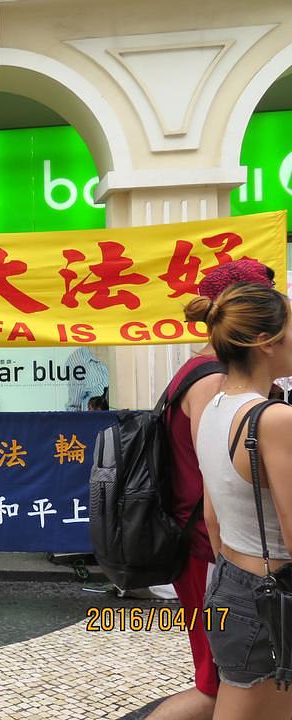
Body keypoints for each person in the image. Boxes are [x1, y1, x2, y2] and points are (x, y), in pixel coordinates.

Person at [148, 259, 274, 720]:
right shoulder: (213, 380)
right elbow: (217, 478)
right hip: (209, 552)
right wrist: (231, 568)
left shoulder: (200, 370)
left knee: (231, 684)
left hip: (210, 552)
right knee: (216, 686)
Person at [189, 282, 292, 718]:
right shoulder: (274, 418)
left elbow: (213, 515)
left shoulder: (214, 406)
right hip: (271, 597)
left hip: (232, 580)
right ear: (266, 342)